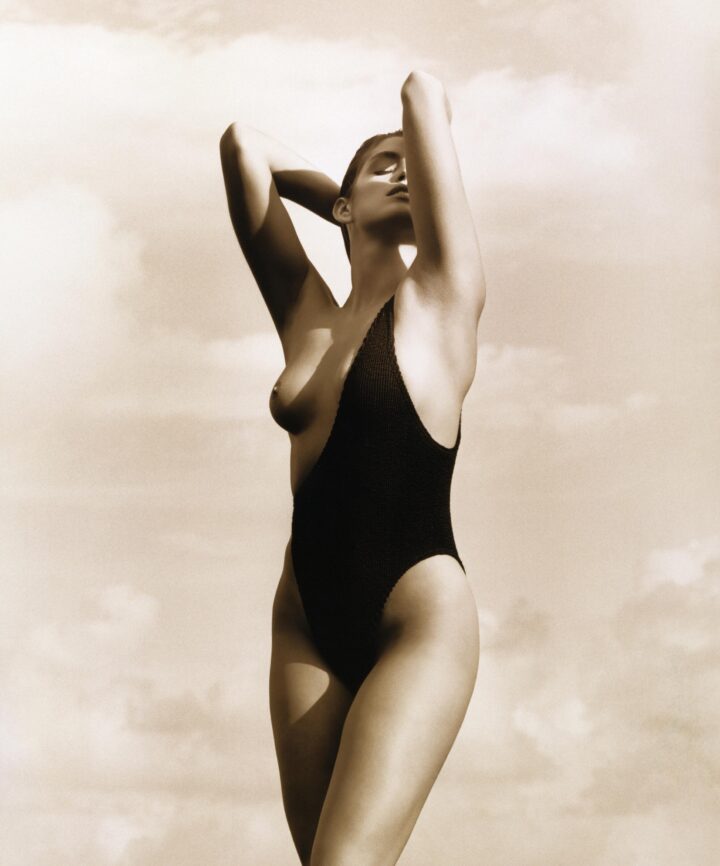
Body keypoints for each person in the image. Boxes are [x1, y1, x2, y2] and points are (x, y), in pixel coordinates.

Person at [220, 69, 485, 866]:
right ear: (343, 206)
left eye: (415, 165)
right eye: (384, 165)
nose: (406, 172)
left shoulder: (443, 296)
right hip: (303, 619)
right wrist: (340, 199)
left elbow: (423, 92)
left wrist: (374, 183)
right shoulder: (307, 318)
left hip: (416, 617)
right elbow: (245, 146)